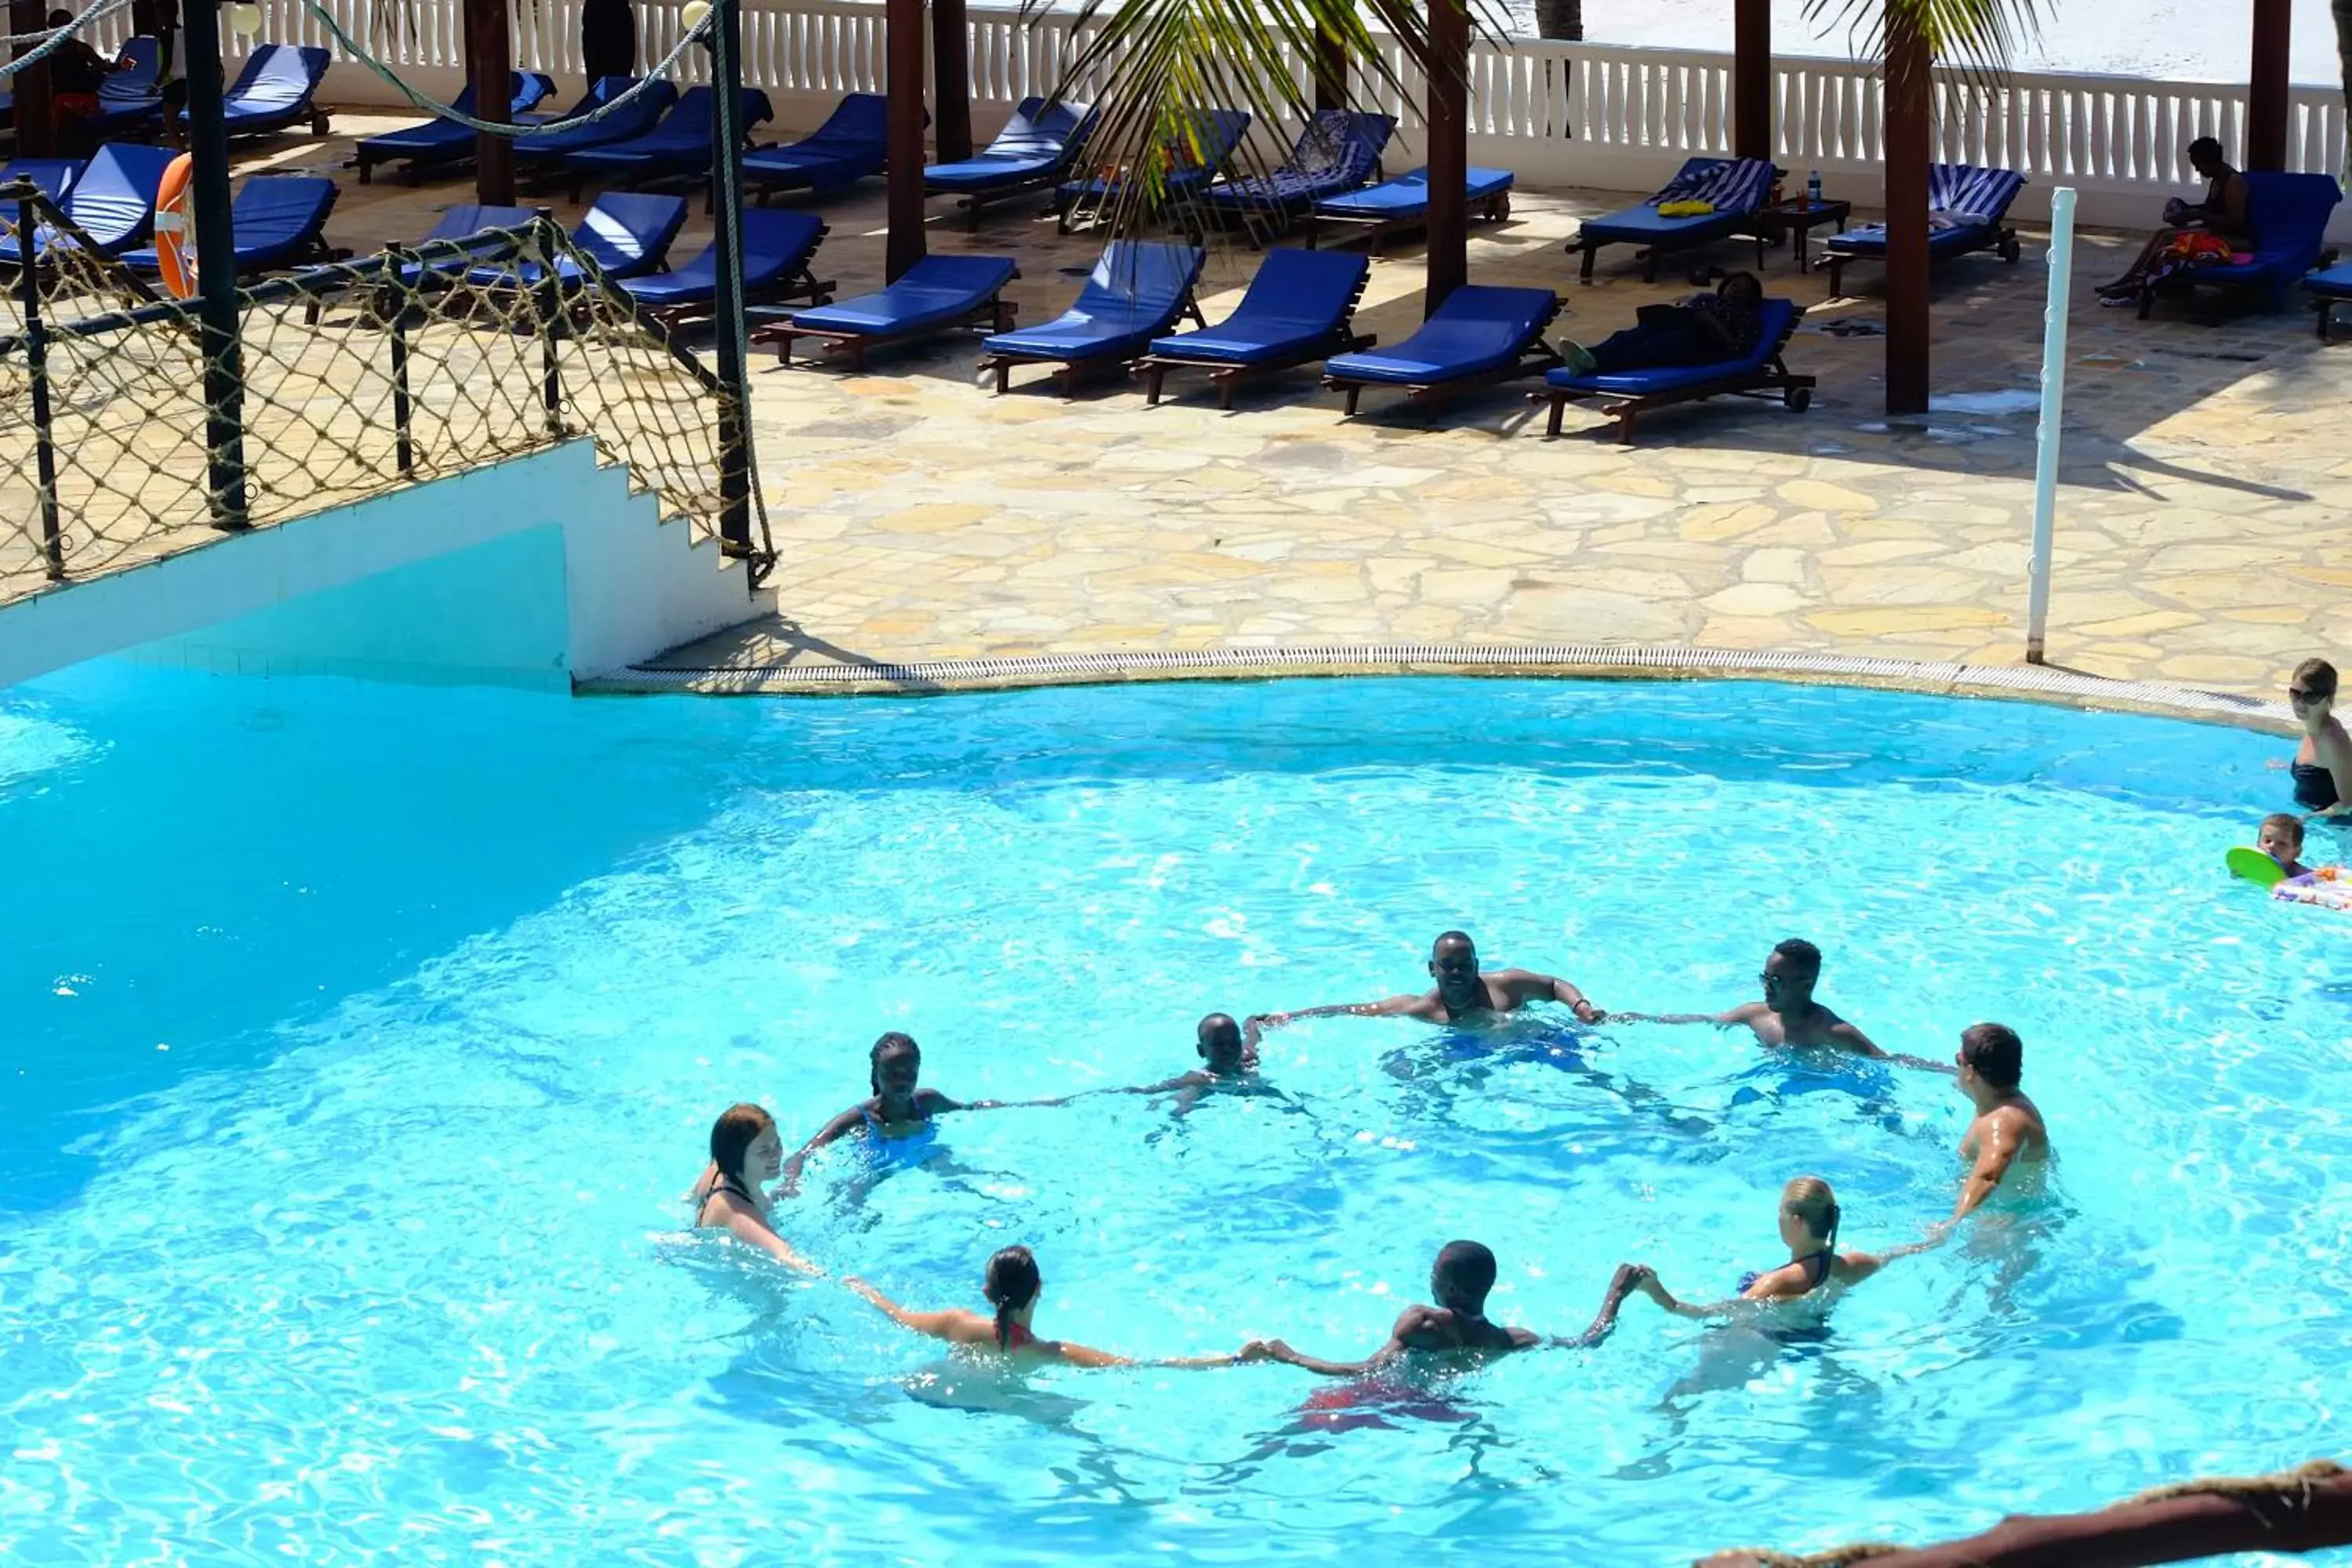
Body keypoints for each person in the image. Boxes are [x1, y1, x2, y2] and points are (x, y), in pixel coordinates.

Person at [1243, 1243, 1643, 1374]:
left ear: (1449, 1287)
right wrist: (1615, 1295)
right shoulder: (1512, 1339)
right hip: (1446, 1411)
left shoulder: (1423, 1322)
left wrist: (1288, 1355)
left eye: (1434, 1273)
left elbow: (1363, 1373)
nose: (1429, 1280)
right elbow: (1586, 1342)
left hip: (1386, 1402)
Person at [844, 1244, 1240, 1368]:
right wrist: (1234, 1358)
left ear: (986, 1294)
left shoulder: (956, 1323)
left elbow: (897, 1316)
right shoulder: (1050, 1352)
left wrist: (864, 1290)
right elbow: (1139, 1366)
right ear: (1040, 1290)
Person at [1623, 1177, 1918, 1316]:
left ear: (1797, 1222)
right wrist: (1936, 1237)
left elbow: (1709, 1314)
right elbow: (1892, 1255)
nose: (1778, 1219)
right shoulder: (1848, 1265)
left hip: (1773, 1341)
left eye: (1781, 1212)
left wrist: (1658, 1293)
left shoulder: (1776, 1282)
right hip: (1815, 1337)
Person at [1248, 931, 1604, 1041]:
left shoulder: (1507, 985)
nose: (1457, 973)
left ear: (1477, 966)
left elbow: (1555, 985)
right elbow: (1352, 1009)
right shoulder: (1422, 1008)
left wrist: (1580, 1007)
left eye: (1465, 966)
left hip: (1530, 1040)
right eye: (1448, 967)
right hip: (1470, 1051)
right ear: (1432, 969)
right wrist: (1289, 1017)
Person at [781, 1032, 1004, 1190]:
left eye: (910, 1074)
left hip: (922, 1155)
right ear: (875, 1075)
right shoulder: (860, 1118)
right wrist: (790, 1183)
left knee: (967, 1181)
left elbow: (969, 1109)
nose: (902, 1082)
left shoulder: (928, 1101)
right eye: (892, 1074)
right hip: (876, 1169)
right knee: (852, 1202)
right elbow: (801, 1155)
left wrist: (1020, 1105)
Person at [1620, 938, 1885, 1056]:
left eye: (1776, 981)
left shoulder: (1832, 1031)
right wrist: (1642, 1019)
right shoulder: (1755, 1015)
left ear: (1805, 986)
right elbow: (1705, 1020)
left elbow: (1886, 1060)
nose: (1767, 987)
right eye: (1765, 978)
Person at [2096, 137, 2250, 303]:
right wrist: (2185, 209)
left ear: (2209, 161)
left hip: (2234, 240)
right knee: (2162, 234)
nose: (2198, 170)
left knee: (2167, 237)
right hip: (2215, 233)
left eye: (2199, 165)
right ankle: (2129, 280)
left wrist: (2199, 215)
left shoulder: (2233, 182)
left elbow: (2236, 223)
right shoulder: (2217, 179)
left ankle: (2135, 283)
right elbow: (2210, 210)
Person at [684, 1102, 820, 1274]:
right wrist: (848, 1287)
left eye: (777, 1144)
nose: (776, 1155)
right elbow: (787, 1257)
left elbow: (689, 1199)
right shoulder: (738, 1213)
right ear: (737, 1157)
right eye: (763, 1151)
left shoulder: (717, 1170)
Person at [1559, 272, 1767, 375]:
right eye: (1735, 286)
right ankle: (1587, 355)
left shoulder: (1748, 319)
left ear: (1752, 298)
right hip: (1677, 325)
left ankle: (1595, 366)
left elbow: (1737, 350)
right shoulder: (1707, 298)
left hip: (1702, 345)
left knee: (1648, 349)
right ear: (1725, 287)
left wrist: (1712, 324)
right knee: (1627, 336)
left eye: (1745, 290)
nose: (1738, 292)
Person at [1945, 1022, 2049, 1222]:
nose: (1955, 1066)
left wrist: (1950, 1225)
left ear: (1970, 1072)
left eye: (1958, 1060)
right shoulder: (1996, 1097)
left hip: (2002, 1222)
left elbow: (1988, 1178)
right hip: (1997, 1209)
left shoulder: (2004, 1121)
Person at [2287, 659, 2351, 818]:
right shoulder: (2312, 726)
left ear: (2328, 698)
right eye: (2295, 694)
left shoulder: (2332, 741)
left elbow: (2348, 805)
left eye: (2311, 697)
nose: (2300, 704)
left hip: (2333, 827)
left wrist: (2307, 819)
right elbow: (2320, 771)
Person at [2256, 812, 2315, 880]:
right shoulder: (2246, 863)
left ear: (2296, 853)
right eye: (2268, 841)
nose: (2271, 846)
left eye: (2282, 844)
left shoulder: (2302, 877)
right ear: (2258, 844)